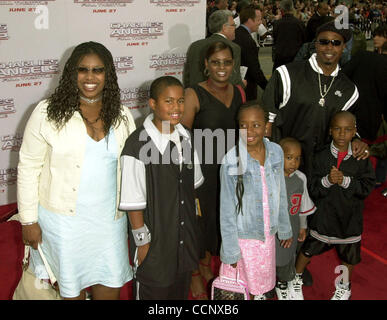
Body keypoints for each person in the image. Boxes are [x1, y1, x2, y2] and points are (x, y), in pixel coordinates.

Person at [17, 41, 136, 300]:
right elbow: (28, 166)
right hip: (63, 223)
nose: (90, 77)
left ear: (109, 75)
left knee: (110, 284)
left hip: (109, 221)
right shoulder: (46, 112)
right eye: (83, 70)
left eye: (98, 70)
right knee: (71, 292)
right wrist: (28, 220)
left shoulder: (123, 115)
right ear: (72, 73)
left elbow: (133, 170)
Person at [119, 76, 204, 300]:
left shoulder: (186, 137)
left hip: (183, 242)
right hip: (155, 245)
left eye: (180, 101)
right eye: (169, 101)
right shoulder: (136, 145)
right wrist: (143, 244)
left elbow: (191, 189)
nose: (176, 108)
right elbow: (133, 202)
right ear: (153, 104)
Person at [262, 20, 369, 182]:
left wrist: (356, 140)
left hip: (321, 171)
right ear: (315, 44)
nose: (329, 47)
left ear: (344, 47)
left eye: (336, 43)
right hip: (284, 165)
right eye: (324, 41)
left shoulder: (349, 90)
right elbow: (265, 119)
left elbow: (349, 126)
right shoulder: (287, 74)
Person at [181, 41, 244, 299]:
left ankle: (207, 265)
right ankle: (194, 274)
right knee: (198, 223)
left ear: (233, 64)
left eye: (226, 62)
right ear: (206, 65)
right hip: (202, 172)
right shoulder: (193, 93)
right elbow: (180, 137)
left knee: (219, 221)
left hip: (230, 171)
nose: (221, 67)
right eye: (215, 62)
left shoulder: (240, 91)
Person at [293, 111, 375, 300]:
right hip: (324, 216)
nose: (341, 134)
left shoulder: (361, 157)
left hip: (349, 219)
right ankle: (295, 278)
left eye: (347, 130)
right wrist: (328, 181)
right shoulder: (320, 156)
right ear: (330, 131)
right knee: (308, 250)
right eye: (337, 129)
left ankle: (344, 286)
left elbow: (367, 186)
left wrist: (346, 181)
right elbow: (312, 187)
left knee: (349, 257)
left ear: (354, 131)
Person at [219, 102, 293, 300]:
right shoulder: (230, 161)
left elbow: (281, 192)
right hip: (243, 237)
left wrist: (284, 225)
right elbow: (226, 211)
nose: (249, 131)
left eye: (256, 125)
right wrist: (230, 250)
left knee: (261, 282)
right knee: (241, 285)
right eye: (243, 125)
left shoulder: (277, 151)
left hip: (266, 234)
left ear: (267, 126)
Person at [275, 137, 316, 300]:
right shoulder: (271, 176)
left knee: (286, 257)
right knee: (269, 257)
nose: (293, 162)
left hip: (291, 228)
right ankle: (265, 285)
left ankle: (283, 283)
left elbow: (303, 205)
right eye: (289, 157)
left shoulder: (301, 178)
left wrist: (302, 226)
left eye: (297, 158)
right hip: (272, 229)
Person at [184, 9, 244, 88]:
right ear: (225, 27)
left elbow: (187, 78)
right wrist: (242, 85)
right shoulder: (233, 48)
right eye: (233, 25)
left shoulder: (194, 46)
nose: (235, 29)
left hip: (196, 96)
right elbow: (233, 80)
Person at [233, 4, 268, 101]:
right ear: (249, 20)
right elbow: (254, 69)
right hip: (246, 88)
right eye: (258, 20)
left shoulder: (236, 34)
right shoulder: (248, 41)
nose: (260, 23)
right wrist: (268, 87)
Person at [272, 0, 306, 70]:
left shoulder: (277, 24)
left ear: (281, 10)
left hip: (280, 58)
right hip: (296, 57)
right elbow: (304, 40)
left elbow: (275, 40)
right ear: (292, 9)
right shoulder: (299, 23)